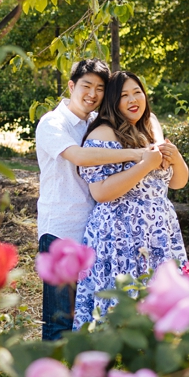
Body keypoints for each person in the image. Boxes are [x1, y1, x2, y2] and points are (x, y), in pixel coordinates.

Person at [35, 59, 152, 341]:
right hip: (60, 233)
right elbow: (80, 157)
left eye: (100, 89)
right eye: (86, 86)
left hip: (94, 233)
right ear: (72, 86)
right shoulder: (53, 122)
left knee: (85, 316)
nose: (93, 94)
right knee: (58, 319)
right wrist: (137, 155)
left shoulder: (95, 124)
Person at [73, 70, 189, 330]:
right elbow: (101, 193)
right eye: (124, 95)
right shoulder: (102, 135)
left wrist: (176, 156)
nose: (133, 99)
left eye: (137, 92)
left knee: (159, 309)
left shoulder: (150, 126)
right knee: (121, 309)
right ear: (113, 102)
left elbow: (178, 182)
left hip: (159, 232)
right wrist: (145, 164)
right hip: (120, 233)